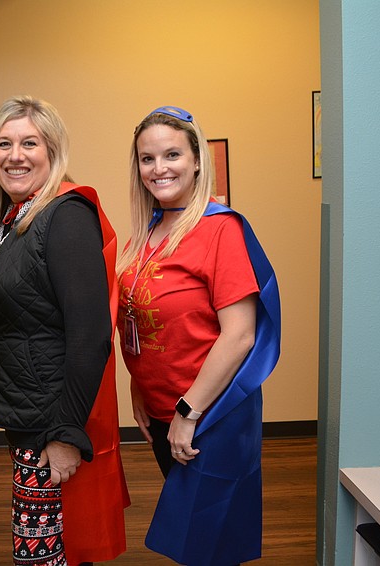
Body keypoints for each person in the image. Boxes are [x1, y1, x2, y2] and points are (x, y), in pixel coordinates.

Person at [116, 106, 281, 566]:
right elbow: (145, 317)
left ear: (196, 160)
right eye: (147, 159)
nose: (159, 168)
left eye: (171, 155)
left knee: (208, 540)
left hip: (210, 415)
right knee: (198, 542)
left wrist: (189, 412)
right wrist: (139, 385)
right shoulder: (148, 232)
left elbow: (240, 335)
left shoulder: (220, 228)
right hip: (164, 411)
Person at [0, 95, 129, 566]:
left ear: (53, 151)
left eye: (29, 143)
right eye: (4, 143)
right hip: (26, 415)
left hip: (48, 424)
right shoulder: (13, 220)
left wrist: (63, 434)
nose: (14, 155)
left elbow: (91, 334)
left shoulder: (64, 216)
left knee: (41, 557)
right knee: (43, 553)